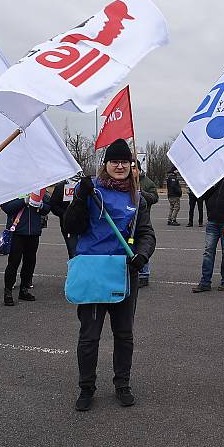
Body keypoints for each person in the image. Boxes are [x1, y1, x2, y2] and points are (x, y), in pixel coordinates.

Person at [63, 139, 156, 411]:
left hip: (124, 274)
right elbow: (71, 225)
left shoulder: (137, 199)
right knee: (89, 336)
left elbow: (146, 234)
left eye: (125, 162)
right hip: (93, 272)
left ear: (131, 165)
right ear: (106, 165)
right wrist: (80, 198)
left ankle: (122, 384)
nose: (120, 166)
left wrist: (142, 254)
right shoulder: (91, 191)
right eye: (114, 161)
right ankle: (86, 387)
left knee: (124, 334)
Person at [0, 188, 51, 305]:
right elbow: (6, 207)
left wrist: (40, 204)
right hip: (17, 231)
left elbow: (48, 208)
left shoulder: (40, 188)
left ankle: (24, 289)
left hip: (33, 232)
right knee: (13, 262)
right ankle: (8, 291)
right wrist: (25, 201)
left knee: (30, 262)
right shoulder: (15, 187)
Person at [137, 160, 158, 287]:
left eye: (135, 168)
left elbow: (154, 198)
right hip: (128, 221)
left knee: (143, 245)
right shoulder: (125, 180)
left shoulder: (147, 182)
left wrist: (142, 193)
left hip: (143, 219)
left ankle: (144, 274)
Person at [49, 178, 80, 259]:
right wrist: (65, 214)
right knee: (73, 252)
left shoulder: (84, 185)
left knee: (85, 253)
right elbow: (53, 205)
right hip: (68, 226)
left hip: (84, 224)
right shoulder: (61, 187)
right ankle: (74, 271)